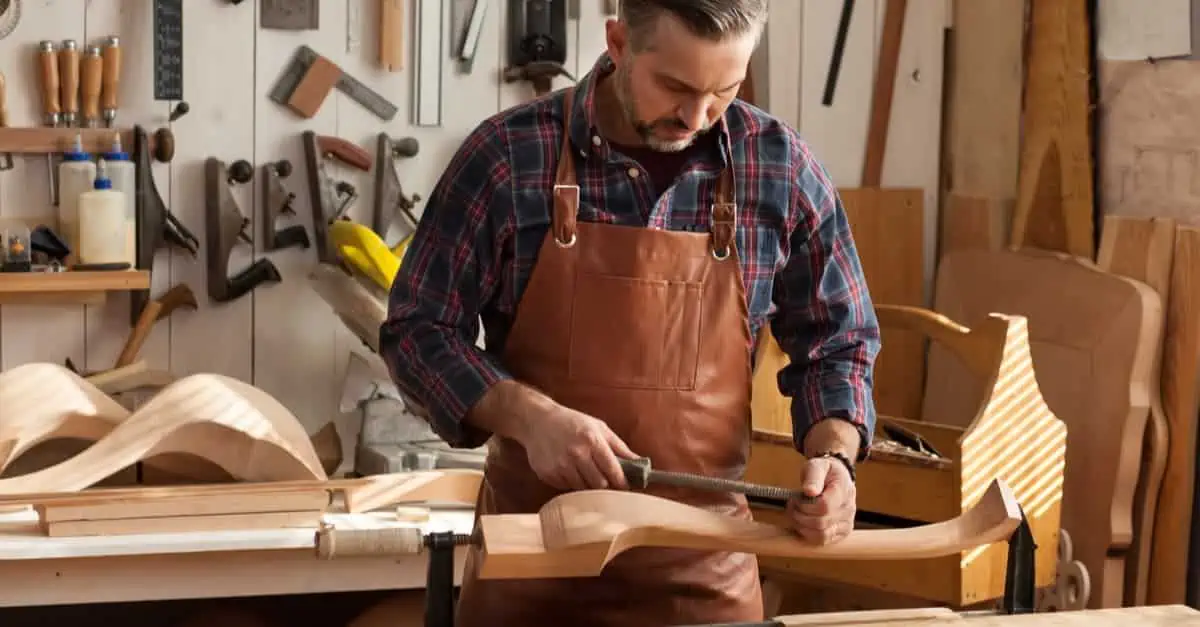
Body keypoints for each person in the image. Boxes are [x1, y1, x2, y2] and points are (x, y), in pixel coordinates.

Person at [380, 0, 881, 624]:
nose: (697, 117)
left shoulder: (778, 168)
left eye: (724, 90)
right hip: (532, 565)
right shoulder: (508, 156)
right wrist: (530, 417)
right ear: (618, 44)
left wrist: (834, 458)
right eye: (675, 86)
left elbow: (839, 342)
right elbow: (416, 331)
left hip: (703, 576)